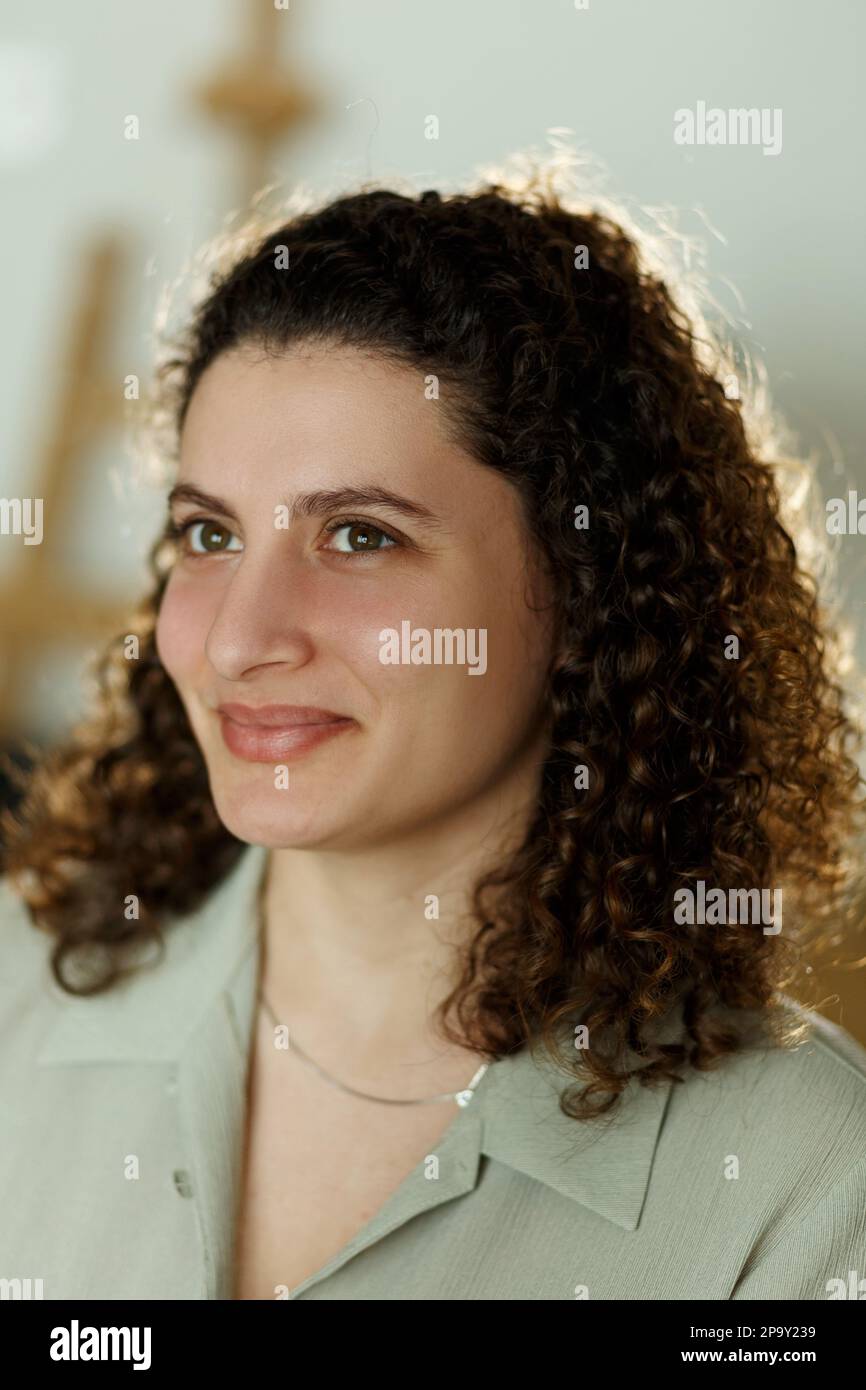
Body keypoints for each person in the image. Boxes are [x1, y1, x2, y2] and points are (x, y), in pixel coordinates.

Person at [2, 157, 865, 1301]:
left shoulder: (802, 1184)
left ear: (581, 591)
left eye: (358, 535)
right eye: (210, 535)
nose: (237, 640)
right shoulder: (18, 996)